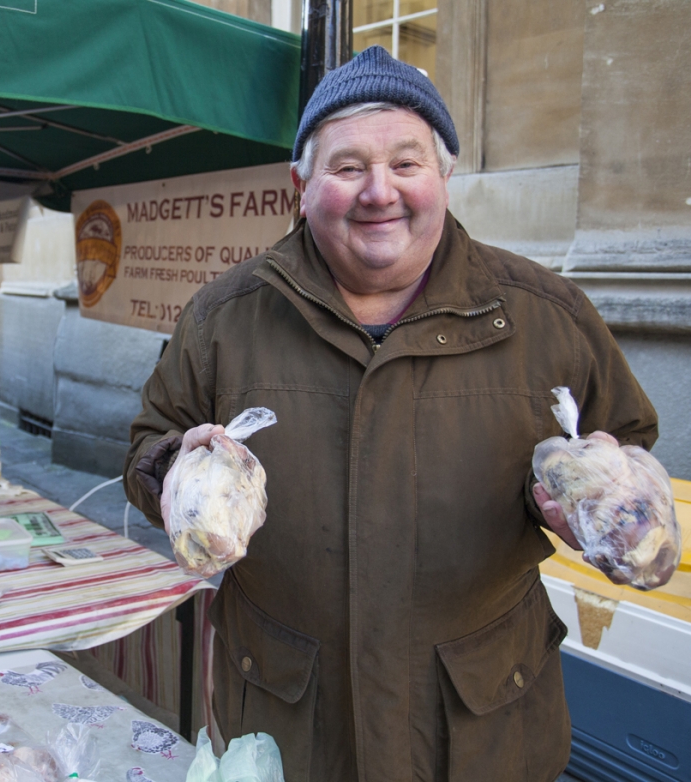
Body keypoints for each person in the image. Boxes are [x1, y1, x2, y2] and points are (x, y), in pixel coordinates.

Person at [124, 47, 658, 782]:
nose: (380, 192)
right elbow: (149, 445)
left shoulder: (547, 316)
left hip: (479, 727)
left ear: (444, 176)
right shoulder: (224, 318)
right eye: (348, 168)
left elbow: (626, 442)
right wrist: (175, 476)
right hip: (288, 719)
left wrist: (606, 502)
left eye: (407, 164)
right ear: (301, 187)